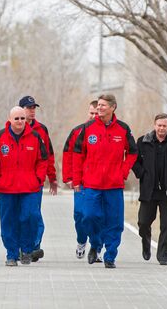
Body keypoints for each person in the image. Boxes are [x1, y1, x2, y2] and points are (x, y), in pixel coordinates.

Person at [73, 94, 138, 269]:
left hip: (114, 185)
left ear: (113, 107)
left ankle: (110, 255)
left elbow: (133, 152)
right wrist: (77, 179)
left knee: (114, 222)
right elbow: (78, 155)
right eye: (98, 105)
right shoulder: (87, 128)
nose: (99, 108)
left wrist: (123, 172)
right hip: (91, 184)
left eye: (103, 105)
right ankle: (95, 243)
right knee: (89, 216)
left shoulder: (123, 129)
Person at [0, 106, 48, 266]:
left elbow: (43, 160)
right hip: (7, 188)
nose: (20, 121)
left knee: (30, 217)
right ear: (9, 119)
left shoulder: (35, 137)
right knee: (9, 221)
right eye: (16, 118)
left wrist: (38, 179)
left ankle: (26, 250)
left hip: (30, 188)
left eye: (22, 118)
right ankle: (11, 254)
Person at [132, 113, 167, 265]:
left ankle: (164, 256)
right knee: (143, 223)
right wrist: (142, 174)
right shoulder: (143, 141)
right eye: (159, 125)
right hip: (148, 190)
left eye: (164, 125)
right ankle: (146, 239)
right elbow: (134, 162)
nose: (161, 128)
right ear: (154, 125)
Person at [19, 95, 57, 262]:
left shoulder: (41, 129)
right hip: (16, 181)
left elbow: (48, 155)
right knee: (19, 214)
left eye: (34, 108)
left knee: (33, 214)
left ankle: (34, 247)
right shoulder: (14, 128)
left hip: (36, 180)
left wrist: (52, 177)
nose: (32, 111)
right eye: (29, 108)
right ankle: (22, 247)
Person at [62, 100, 100, 260]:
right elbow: (67, 154)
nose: (93, 116)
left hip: (99, 183)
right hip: (81, 182)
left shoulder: (105, 132)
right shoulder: (77, 131)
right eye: (91, 113)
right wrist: (68, 177)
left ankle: (96, 248)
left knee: (96, 216)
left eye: (96, 113)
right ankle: (81, 240)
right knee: (80, 215)